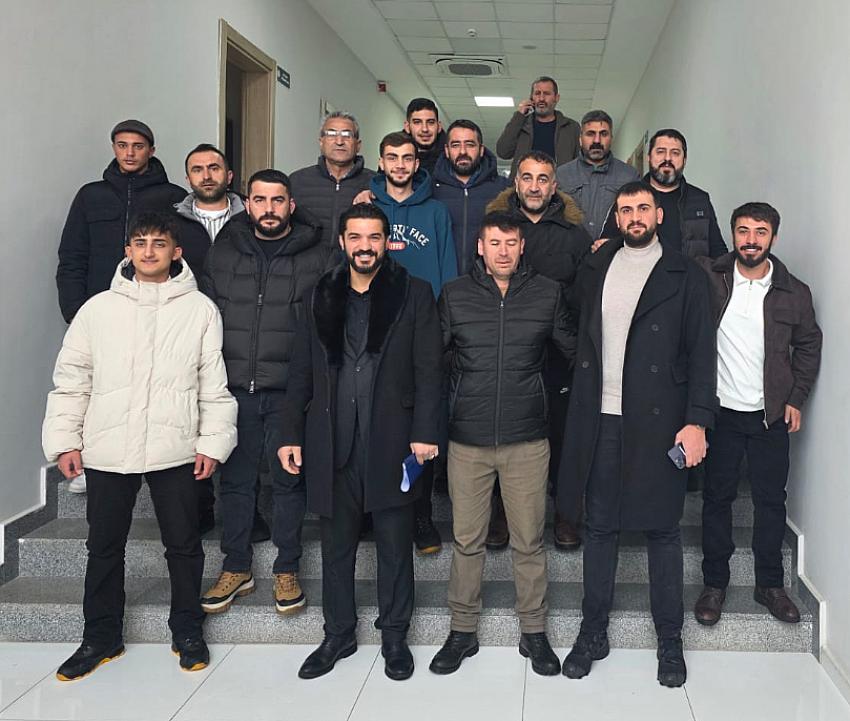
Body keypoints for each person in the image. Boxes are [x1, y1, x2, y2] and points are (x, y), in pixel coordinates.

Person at [42, 210, 237, 681]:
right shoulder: (97, 310)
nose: (149, 251)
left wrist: (212, 443)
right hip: (109, 447)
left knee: (184, 546)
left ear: (176, 252)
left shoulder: (200, 310)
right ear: (128, 250)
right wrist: (65, 441)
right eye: (141, 242)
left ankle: (187, 630)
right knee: (103, 547)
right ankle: (100, 636)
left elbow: (212, 384)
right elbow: (72, 380)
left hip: (176, 446)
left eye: (159, 243)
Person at [558, 181, 716, 688]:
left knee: (663, 531)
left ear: (659, 215)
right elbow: (574, 325)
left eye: (643, 208)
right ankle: (593, 632)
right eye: (625, 209)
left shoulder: (686, 275)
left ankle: (670, 639)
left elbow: (702, 354)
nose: (635, 216)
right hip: (600, 416)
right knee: (599, 528)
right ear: (616, 217)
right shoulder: (597, 265)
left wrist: (697, 421)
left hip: (660, 421)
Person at [278, 203, 442, 681]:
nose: (365, 246)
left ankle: (395, 635)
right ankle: (338, 634)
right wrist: (290, 434)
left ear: (387, 242)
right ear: (343, 242)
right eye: (356, 237)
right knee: (336, 549)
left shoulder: (414, 292)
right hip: (332, 442)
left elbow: (430, 369)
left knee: (395, 547)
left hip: (393, 441)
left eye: (374, 237)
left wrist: (425, 433)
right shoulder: (319, 294)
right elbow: (301, 371)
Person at [429, 212, 574, 677]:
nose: (503, 251)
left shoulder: (547, 293)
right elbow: (431, 360)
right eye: (495, 243)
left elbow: (576, 354)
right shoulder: (455, 294)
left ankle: (534, 631)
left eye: (511, 243)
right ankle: (461, 631)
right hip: (467, 439)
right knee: (467, 540)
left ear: (522, 246)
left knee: (528, 540)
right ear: (480, 247)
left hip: (526, 438)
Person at [199, 169, 329, 616]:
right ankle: (236, 566)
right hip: (233, 389)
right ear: (247, 204)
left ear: (291, 205)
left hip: (290, 390)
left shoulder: (318, 254)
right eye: (260, 200)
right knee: (235, 483)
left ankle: (286, 568)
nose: (269, 209)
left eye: (277, 200)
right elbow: (206, 316)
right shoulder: (224, 251)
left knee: (288, 482)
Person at [694, 203, 822, 626]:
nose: (751, 240)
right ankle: (714, 583)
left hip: (770, 416)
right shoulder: (709, 277)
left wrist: (796, 398)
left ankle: (770, 585)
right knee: (717, 499)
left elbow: (809, 345)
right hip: (720, 412)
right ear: (732, 234)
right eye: (743, 231)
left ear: (773, 237)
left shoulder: (794, 291)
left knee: (770, 501)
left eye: (760, 232)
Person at [56, 119, 186, 493]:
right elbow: (72, 256)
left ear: (152, 150)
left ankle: (157, 462)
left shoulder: (173, 196)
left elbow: (185, 252)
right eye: (122, 145)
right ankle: (90, 461)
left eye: (138, 146)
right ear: (113, 147)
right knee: (97, 386)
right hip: (101, 310)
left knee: (153, 385)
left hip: (157, 309)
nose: (129, 153)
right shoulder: (90, 196)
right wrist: (75, 311)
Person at [486, 151, 592, 550]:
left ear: (554, 186)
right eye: (527, 177)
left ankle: (565, 516)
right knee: (506, 436)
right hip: (508, 353)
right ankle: (501, 515)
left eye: (542, 178)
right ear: (515, 182)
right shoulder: (496, 227)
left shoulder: (574, 235)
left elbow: (587, 296)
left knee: (562, 438)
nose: (534, 186)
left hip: (559, 356)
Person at [370, 131, 457, 553]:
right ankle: (372, 511)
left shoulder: (436, 212)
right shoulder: (368, 208)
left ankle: (422, 516)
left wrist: (441, 332)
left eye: (407, 158)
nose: (400, 165)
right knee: (374, 427)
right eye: (392, 157)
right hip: (373, 334)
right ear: (381, 162)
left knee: (422, 426)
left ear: (417, 163)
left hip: (422, 332)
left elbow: (447, 272)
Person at [173, 142, 248, 537]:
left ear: (229, 175)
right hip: (187, 332)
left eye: (214, 167)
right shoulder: (173, 223)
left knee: (238, 416)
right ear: (188, 177)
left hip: (241, 331)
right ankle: (200, 506)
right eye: (198, 169)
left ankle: (246, 510)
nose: (207, 175)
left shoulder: (251, 216)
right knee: (193, 416)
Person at [600, 128, 726, 258]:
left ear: (684, 160)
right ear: (649, 157)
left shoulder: (700, 199)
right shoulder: (628, 199)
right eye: (660, 152)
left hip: (691, 271)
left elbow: (718, 250)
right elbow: (606, 245)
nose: (667, 158)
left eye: (675, 153)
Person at [432, 119, 510, 275]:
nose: (463, 152)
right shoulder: (430, 189)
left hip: (487, 282)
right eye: (455, 145)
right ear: (446, 150)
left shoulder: (503, 190)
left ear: (481, 150)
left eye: (470, 145)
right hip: (442, 280)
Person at [290, 111, 375, 249]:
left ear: (358, 145)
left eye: (347, 135)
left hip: (356, 260)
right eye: (331, 134)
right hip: (307, 261)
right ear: (321, 142)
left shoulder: (375, 183)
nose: (339, 142)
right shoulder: (297, 181)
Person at [555, 109, 640, 239]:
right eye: (590, 134)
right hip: (571, 249)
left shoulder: (629, 176)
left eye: (603, 134)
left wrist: (614, 242)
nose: (597, 140)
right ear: (580, 139)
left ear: (611, 138)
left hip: (615, 249)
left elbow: (637, 218)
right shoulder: (561, 175)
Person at [496, 76, 580, 180]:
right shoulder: (520, 124)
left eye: (546, 94)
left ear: (556, 98)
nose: (541, 98)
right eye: (537, 93)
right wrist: (519, 116)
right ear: (531, 98)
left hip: (560, 187)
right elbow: (503, 152)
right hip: (523, 186)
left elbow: (580, 163)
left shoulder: (571, 127)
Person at [403, 98, 446, 175]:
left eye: (430, 122)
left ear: (439, 126)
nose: (425, 129)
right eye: (417, 122)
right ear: (407, 127)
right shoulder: (393, 156)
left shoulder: (452, 157)